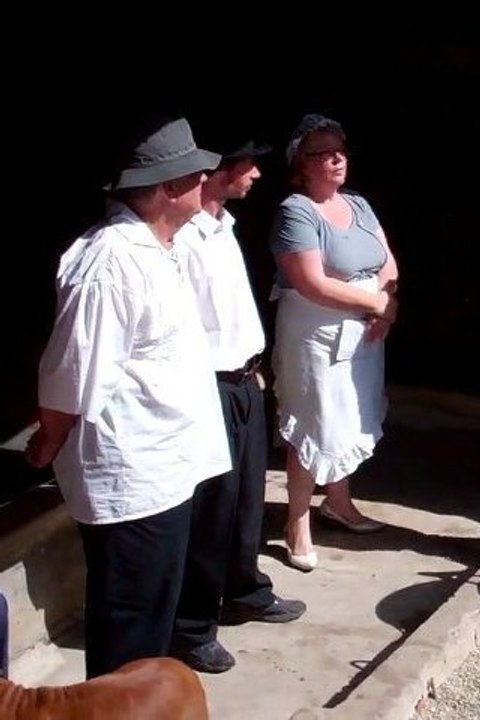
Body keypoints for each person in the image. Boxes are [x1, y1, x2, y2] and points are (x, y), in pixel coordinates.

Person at [25, 116, 231, 678]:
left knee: (151, 637)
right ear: (168, 188)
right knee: (129, 639)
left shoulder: (161, 246)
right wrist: (48, 444)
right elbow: (70, 374)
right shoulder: (109, 260)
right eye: (194, 174)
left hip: (168, 471)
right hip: (133, 479)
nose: (206, 179)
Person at [170, 131, 306, 674]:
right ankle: (193, 626)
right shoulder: (184, 237)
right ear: (220, 170)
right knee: (212, 507)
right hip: (210, 384)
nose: (256, 174)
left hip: (245, 378)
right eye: (248, 165)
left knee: (249, 495)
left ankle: (245, 586)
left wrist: (255, 370)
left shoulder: (225, 226)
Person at [269, 114, 399, 571]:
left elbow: (387, 263)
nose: (335, 158)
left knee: (348, 416)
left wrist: (388, 299)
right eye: (322, 152)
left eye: (339, 149)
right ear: (301, 165)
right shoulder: (296, 210)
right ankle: (297, 521)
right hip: (316, 333)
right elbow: (310, 282)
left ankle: (339, 503)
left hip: (363, 330)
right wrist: (377, 303)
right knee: (314, 421)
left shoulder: (359, 204)